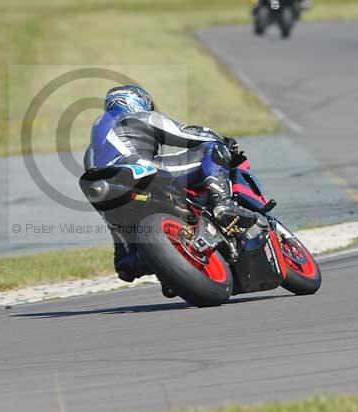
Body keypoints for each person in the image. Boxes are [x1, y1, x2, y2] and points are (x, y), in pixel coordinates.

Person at [83, 84, 259, 283]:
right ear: (137, 101)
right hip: (141, 169)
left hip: (104, 189)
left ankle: (129, 258)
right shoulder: (138, 116)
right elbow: (187, 133)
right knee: (211, 148)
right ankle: (223, 203)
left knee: (125, 249)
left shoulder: (92, 148)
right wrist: (224, 141)